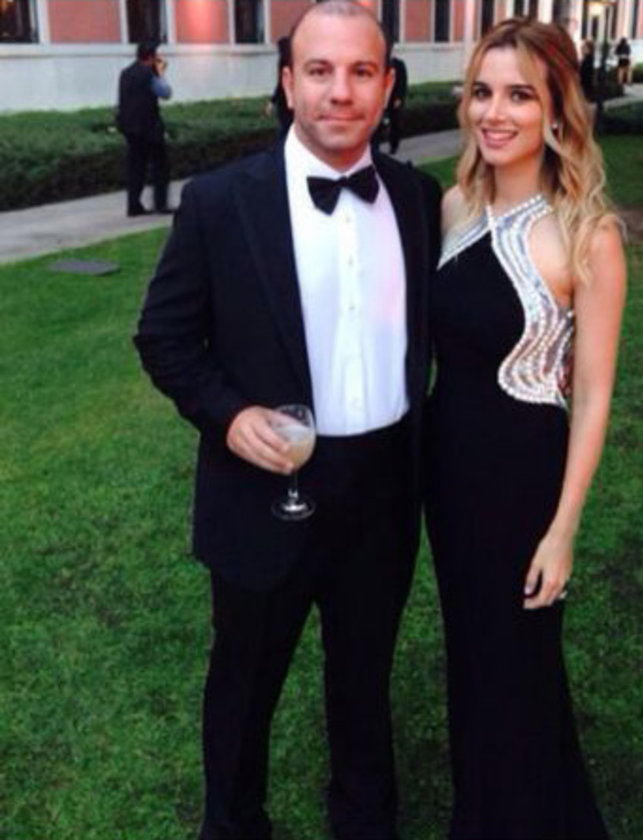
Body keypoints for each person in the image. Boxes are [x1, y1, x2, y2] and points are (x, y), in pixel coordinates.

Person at [134, 2, 441, 838]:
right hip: (263, 488)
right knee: (244, 683)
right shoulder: (220, 201)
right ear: (287, 82)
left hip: (384, 490)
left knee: (364, 679)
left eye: (361, 71)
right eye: (319, 70)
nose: (340, 91)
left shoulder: (417, 198)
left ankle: (366, 822)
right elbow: (163, 336)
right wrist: (229, 415)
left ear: (387, 85)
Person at [424, 18, 626, 839]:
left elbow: (595, 394)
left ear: (555, 109)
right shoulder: (452, 207)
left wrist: (563, 529)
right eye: (482, 92)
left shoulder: (587, 232)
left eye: (519, 95)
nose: (494, 112)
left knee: (521, 670)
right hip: (446, 475)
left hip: (521, 483)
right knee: (471, 662)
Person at [116, 41, 173, 217]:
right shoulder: (149, 75)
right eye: (156, 56)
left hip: (129, 127)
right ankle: (160, 204)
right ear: (150, 57)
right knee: (160, 166)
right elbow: (166, 93)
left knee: (136, 167)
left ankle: (133, 205)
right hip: (149, 127)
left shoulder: (125, 73)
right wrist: (161, 74)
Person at [267, 35, 293, 134]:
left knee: (284, 127)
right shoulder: (292, 60)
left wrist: (272, 101)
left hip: (284, 100)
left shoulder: (283, 61)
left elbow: (280, 84)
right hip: (290, 99)